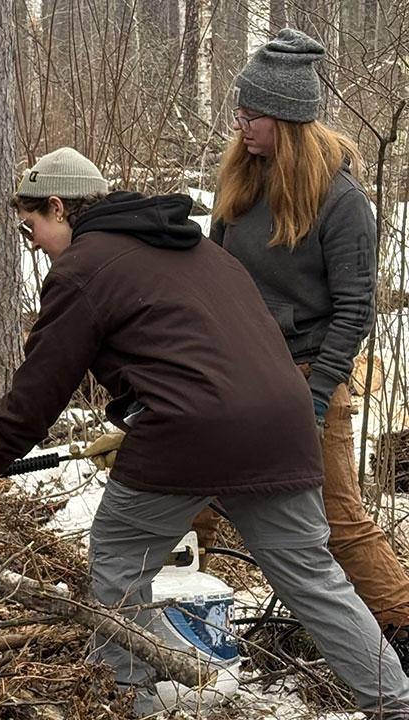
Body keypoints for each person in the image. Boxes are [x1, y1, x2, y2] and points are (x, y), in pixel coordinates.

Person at [0, 147, 409, 717]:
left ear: (58, 207)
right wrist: (135, 420)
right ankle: (396, 702)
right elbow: (197, 352)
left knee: (119, 560)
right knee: (315, 580)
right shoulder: (193, 248)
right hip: (281, 423)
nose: (36, 244)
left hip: (192, 432)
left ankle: (129, 698)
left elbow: (41, 386)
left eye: (32, 229)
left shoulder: (82, 267)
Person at [200, 27, 409, 667]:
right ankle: (171, 627)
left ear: (287, 122)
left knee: (338, 521)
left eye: (251, 114)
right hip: (233, 380)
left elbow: (354, 310)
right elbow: (214, 275)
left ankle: (402, 626)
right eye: (239, 111)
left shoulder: (341, 201)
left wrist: (314, 397)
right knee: (190, 498)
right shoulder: (240, 183)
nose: (239, 124)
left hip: (306, 375)